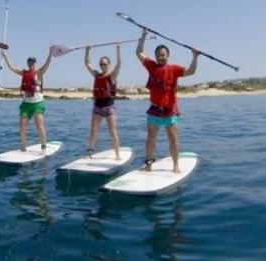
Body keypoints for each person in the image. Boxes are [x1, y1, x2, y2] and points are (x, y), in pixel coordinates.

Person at [136, 29, 200, 173]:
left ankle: (176, 166)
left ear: (168, 55)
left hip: (170, 111)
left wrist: (195, 56)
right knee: (151, 138)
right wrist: (144, 36)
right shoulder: (151, 66)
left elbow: (191, 71)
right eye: (159, 55)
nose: (161, 57)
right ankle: (148, 164)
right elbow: (139, 52)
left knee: (173, 139)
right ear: (156, 56)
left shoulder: (174, 69)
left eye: (163, 55)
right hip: (154, 110)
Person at [1, 49, 53, 152]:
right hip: (25, 104)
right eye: (29, 62)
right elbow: (12, 67)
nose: (31, 64)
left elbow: (47, 63)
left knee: (39, 125)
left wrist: (50, 53)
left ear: (35, 63)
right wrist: (5, 56)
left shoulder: (39, 72)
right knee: (22, 127)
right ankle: (23, 148)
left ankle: (43, 146)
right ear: (27, 63)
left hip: (37, 103)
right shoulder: (23, 72)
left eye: (33, 62)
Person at [84, 44, 122, 159]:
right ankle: (89, 153)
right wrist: (87, 51)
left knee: (113, 132)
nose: (102, 66)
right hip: (97, 107)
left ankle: (117, 154)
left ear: (108, 65)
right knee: (93, 131)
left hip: (109, 108)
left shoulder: (112, 76)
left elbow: (119, 64)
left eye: (104, 64)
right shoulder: (97, 75)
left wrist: (118, 49)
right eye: (101, 64)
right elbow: (87, 63)